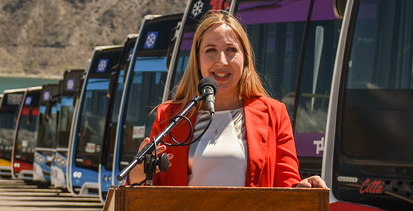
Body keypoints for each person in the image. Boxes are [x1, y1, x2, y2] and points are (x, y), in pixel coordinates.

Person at [127, 11, 327, 189]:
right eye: (210, 50)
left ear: (245, 58)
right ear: (197, 60)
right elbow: (145, 191)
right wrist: (137, 175)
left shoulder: (274, 114)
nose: (222, 61)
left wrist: (303, 187)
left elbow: (288, 186)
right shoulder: (170, 117)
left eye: (231, 50)